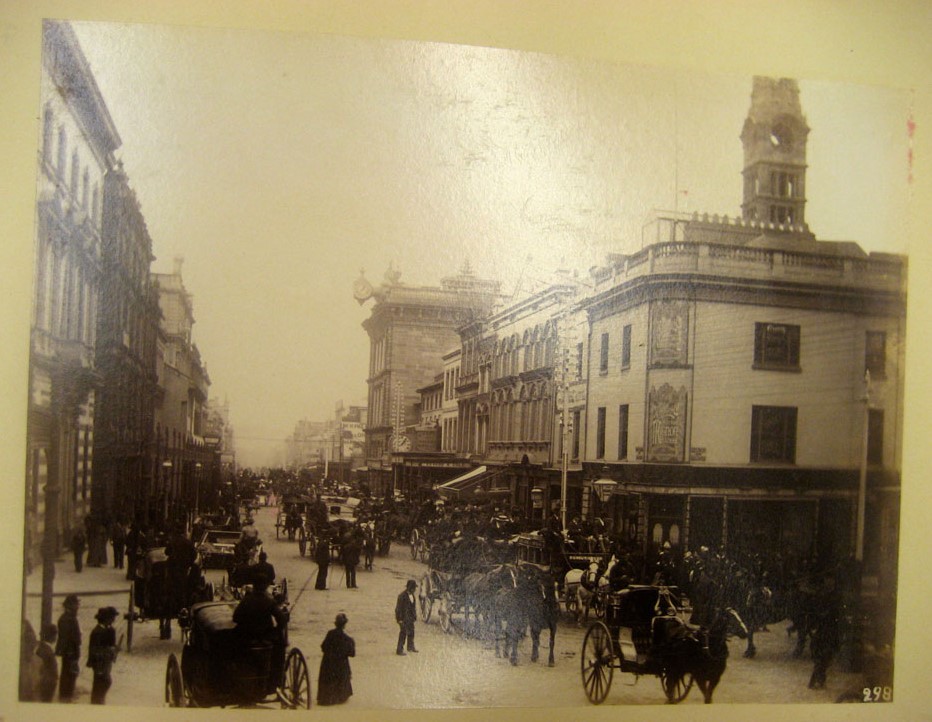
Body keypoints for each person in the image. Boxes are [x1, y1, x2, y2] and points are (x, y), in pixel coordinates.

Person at [317, 613, 355, 705]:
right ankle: (340, 697)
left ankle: (326, 698)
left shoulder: (330, 634)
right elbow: (352, 654)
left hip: (328, 666)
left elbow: (323, 647)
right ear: (344, 625)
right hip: (341, 668)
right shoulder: (347, 639)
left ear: (336, 624)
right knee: (344, 669)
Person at [87, 607, 119, 704]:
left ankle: (99, 701)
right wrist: (110, 650)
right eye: (112, 618)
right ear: (106, 619)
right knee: (102, 683)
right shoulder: (97, 632)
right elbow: (95, 650)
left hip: (105, 662)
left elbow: (110, 645)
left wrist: (113, 649)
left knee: (103, 683)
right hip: (99, 663)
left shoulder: (109, 630)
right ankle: (97, 703)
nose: (113, 620)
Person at [55, 594, 81, 701]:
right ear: (70, 605)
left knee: (70, 672)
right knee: (68, 673)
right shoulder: (66, 619)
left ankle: (67, 693)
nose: (78, 606)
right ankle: (66, 695)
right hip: (69, 651)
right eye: (76, 604)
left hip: (72, 650)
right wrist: (70, 652)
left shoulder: (70, 617)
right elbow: (65, 638)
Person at [395, 579, 418, 655]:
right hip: (403, 618)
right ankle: (399, 650)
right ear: (410, 588)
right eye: (414, 588)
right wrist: (399, 619)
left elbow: (413, 607)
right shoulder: (402, 596)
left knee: (411, 632)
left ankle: (410, 646)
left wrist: (414, 616)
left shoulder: (412, 596)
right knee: (403, 633)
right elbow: (398, 609)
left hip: (410, 618)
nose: (415, 590)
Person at [36, 623, 58, 702]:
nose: (56, 637)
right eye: (55, 635)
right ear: (52, 636)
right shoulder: (48, 651)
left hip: (45, 683)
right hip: (47, 686)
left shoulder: (42, 648)